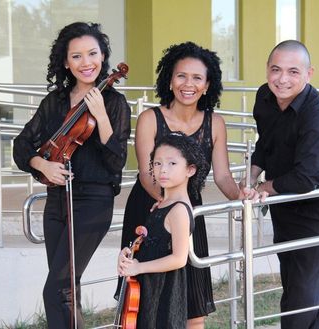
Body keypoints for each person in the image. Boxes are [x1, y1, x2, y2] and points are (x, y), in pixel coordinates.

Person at [118, 41, 245, 328]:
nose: (188, 84)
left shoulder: (215, 123)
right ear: (169, 79)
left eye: (197, 77)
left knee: (193, 307)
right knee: (144, 304)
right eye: (181, 76)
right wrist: (169, 203)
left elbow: (223, 175)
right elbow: (147, 173)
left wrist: (241, 195)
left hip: (188, 213)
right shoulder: (151, 118)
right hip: (150, 208)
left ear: (207, 84)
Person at [13, 22, 131, 328]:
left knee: (56, 289)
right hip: (56, 202)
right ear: (66, 62)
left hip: (93, 204)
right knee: (67, 289)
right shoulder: (55, 102)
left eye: (92, 53)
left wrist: (101, 115)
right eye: (76, 56)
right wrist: (42, 165)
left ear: (103, 56)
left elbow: (117, 160)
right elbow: (22, 144)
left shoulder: (115, 103)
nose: (86, 62)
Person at [242, 40, 319, 329]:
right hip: (286, 205)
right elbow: (266, 144)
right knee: (300, 291)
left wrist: (264, 188)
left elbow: (306, 177)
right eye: (276, 70)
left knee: (299, 302)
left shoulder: (317, 115)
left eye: (293, 71)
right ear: (267, 70)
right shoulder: (265, 96)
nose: (282, 79)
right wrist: (251, 177)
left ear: (309, 73)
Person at [118, 132, 209, 328]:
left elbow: (179, 258)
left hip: (163, 294)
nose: (163, 170)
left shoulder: (179, 210)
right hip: (150, 288)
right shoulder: (161, 205)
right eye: (157, 163)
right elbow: (152, 244)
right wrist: (129, 253)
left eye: (172, 164)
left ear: (190, 170)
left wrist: (139, 267)